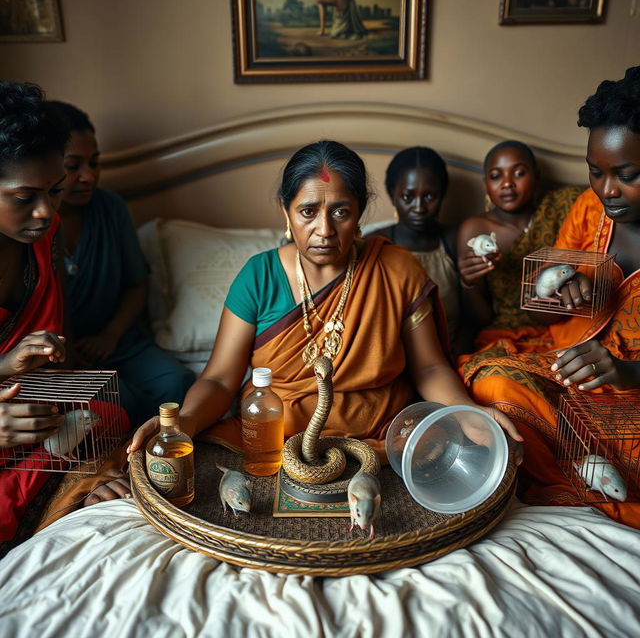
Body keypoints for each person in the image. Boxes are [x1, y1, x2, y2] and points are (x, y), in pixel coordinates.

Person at [129, 140, 522, 462]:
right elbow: (218, 379)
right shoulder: (258, 275)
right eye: (307, 212)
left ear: (360, 213)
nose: (324, 230)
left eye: (341, 212)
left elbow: (431, 368)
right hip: (277, 444)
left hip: (385, 442)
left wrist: (468, 413)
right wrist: (185, 422)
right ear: (286, 213)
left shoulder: (398, 269)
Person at [462, 66, 640, 529]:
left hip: (630, 401)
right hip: (561, 370)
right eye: (595, 172)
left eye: (626, 174)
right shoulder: (588, 209)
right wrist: (563, 286)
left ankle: (590, 485)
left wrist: (625, 370)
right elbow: (543, 284)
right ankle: (582, 471)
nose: (607, 190)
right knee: (492, 386)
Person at [0, 82, 130, 550]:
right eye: (24, 197)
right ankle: (61, 491)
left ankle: (57, 480)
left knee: (108, 415)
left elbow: (60, 329)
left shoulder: (46, 232)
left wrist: (57, 382)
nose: (45, 211)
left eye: (54, 192)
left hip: (25, 413)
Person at [47, 101, 195, 427]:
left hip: (119, 341)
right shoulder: (34, 222)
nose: (89, 176)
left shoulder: (110, 208)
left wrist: (111, 336)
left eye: (95, 162)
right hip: (63, 355)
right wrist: (68, 357)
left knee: (176, 383)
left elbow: (137, 283)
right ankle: (128, 464)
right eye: (73, 165)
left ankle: (163, 459)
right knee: (117, 400)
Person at [457, 141, 583, 350]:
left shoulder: (561, 208)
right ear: (485, 184)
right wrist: (468, 284)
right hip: (503, 337)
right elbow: (481, 320)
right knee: (494, 382)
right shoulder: (475, 229)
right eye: (496, 176)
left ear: (537, 177)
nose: (507, 184)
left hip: (564, 330)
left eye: (518, 173)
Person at [371, 146, 462, 353]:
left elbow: (471, 320)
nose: (419, 208)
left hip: (450, 356)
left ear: (443, 194)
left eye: (429, 197)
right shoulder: (375, 244)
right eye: (407, 197)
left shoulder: (456, 240)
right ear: (392, 194)